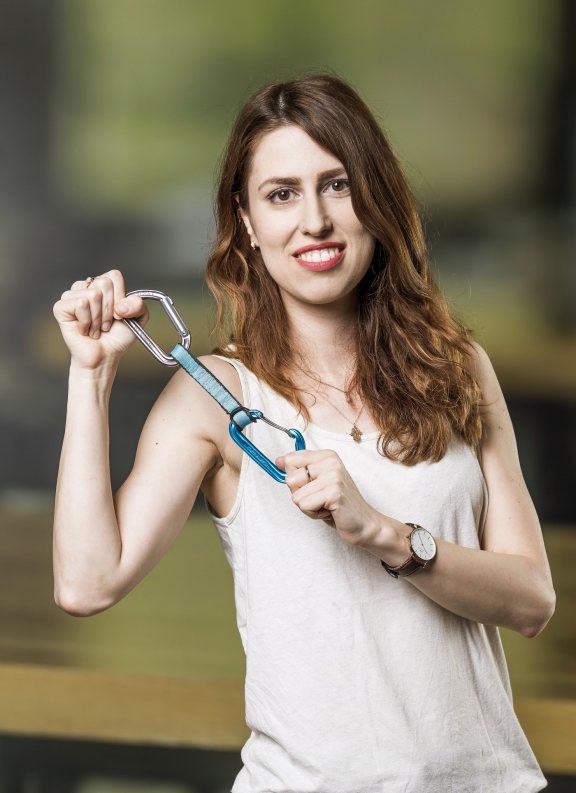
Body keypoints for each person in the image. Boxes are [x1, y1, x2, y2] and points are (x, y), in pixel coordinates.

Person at [53, 74, 554, 792]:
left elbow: (532, 600)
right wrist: (90, 377)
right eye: (281, 194)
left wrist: (385, 534)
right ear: (247, 222)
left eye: (337, 185)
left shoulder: (458, 368)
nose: (314, 220)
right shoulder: (218, 397)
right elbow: (87, 582)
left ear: (375, 198)